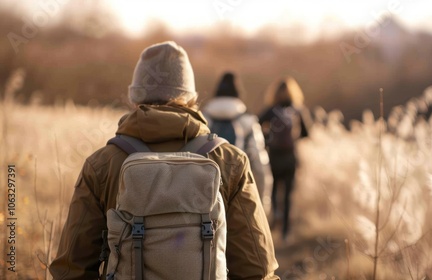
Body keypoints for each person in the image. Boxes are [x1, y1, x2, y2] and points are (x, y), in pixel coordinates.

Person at [49, 41, 279, 279]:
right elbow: (257, 270)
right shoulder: (230, 161)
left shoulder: (102, 165)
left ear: (135, 97)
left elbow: (71, 270)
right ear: (191, 99)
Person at [203, 72, 272, 209]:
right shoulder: (247, 120)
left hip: (206, 190)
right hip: (238, 190)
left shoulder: (202, 118)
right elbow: (259, 162)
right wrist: (263, 203)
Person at [259, 77, 311, 241]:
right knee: (288, 195)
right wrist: (293, 139)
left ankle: (275, 216)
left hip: (273, 157)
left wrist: (268, 138)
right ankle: (286, 233)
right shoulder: (298, 110)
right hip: (290, 158)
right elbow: (307, 133)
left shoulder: (270, 110)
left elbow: (256, 126)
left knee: (273, 190)